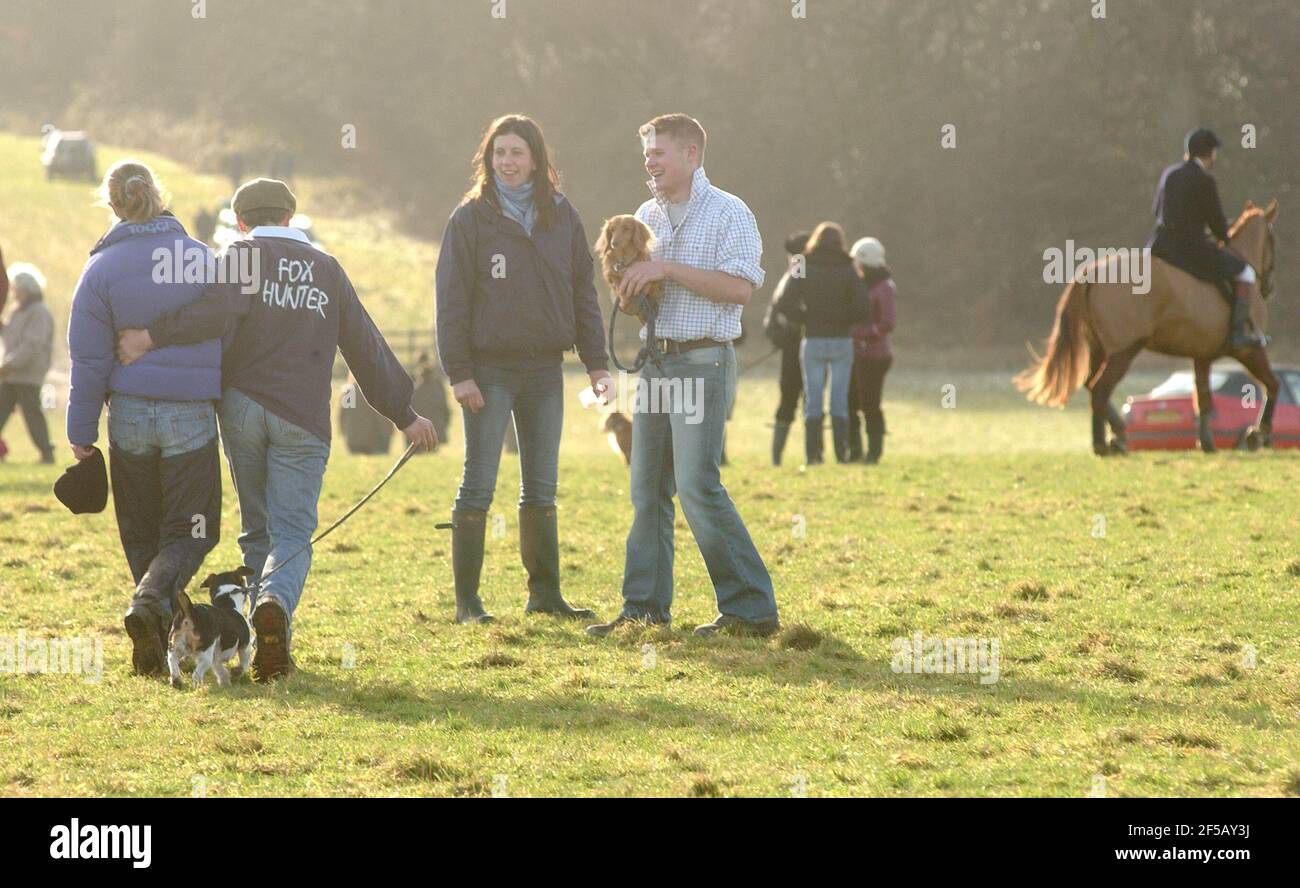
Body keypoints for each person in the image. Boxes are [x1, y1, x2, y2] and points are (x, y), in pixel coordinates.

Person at [117, 177, 437, 681]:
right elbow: (365, 348)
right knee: (292, 530)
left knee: (258, 528)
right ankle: (274, 611)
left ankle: (256, 625)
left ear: (242, 221)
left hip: (241, 410)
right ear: (290, 217)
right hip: (303, 418)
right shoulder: (327, 271)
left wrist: (149, 337)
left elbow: (209, 314)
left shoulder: (240, 256)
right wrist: (405, 415)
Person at [586, 113, 779, 638]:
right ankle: (643, 609)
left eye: (659, 153)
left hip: (702, 363)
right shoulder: (645, 214)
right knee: (646, 488)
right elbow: (642, 297)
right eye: (646, 154)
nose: (650, 162)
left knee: (697, 486)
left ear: (691, 154)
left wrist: (666, 269)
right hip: (656, 364)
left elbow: (741, 288)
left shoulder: (729, 212)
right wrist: (627, 292)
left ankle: (751, 609)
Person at [435, 114, 611, 624]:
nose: (507, 162)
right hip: (487, 371)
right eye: (499, 154)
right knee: (478, 483)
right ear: (488, 160)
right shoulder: (469, 219)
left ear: (536, 158)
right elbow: (451, 301)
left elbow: (583, 293)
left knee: (541, 485)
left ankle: (545, 595)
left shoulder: (562, 215)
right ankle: (468, 603)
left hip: (544, 371)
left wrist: (597, 363)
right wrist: (459, 372)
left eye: (516, 153)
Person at [67, 161, 223, 675]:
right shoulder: (202, 260)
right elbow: (226, 330)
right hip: (190, 416)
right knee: (193, 531)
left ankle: (152, 626)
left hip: (129, 415)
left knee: (141, 530)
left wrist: (80, 434)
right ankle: (152, 601)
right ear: (158, 196)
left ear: (112, 206)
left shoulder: (100, 271)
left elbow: (89, 361)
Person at [1146, 128, 1265, 351]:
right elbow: (1217, 224)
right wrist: (1224, 237)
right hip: (1190, 249)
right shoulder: (1204, 180)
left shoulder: (1169, 174)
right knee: (1245, 272)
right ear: (1209, 153)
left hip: (1159, 245)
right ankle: (1237, 333)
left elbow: (1156, 210)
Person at [775, 221, 869, 464]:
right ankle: (841, 455)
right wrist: (844, 318)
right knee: (838, 399)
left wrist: (805, 318)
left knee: (813, 400)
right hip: (840, 341)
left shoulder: (802, 264)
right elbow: (863, 308)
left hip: (813, 338)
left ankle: (812, 456)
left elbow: (784, 302)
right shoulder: (849, 268)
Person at [847, 237, 896, 464]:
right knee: (850, 402)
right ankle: (854, 450)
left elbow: (888, 322)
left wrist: (860, 333)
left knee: (870, 404)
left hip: (875, 356)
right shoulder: (861, 284)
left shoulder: (884, 287)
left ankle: (874, 453)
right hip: (857, 354)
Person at [1, 262, 56, 464]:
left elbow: (32, 346)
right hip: (12, 375)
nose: (14, 294)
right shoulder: (18, 311)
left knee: (32, 415)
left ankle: (46, 453)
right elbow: (9, 336)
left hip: (27, 375)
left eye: (17, 290)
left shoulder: (39, 312)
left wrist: (9, 364)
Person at [763, 231, 809, 465]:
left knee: (789, 398)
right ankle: (813, 455)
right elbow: (784, 302)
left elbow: (778, 303)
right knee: (808, 398)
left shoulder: (795, 267)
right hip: (801, 340)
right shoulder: (801, 266)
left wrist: (777, 333)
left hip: (792, 343)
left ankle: (776, 458)